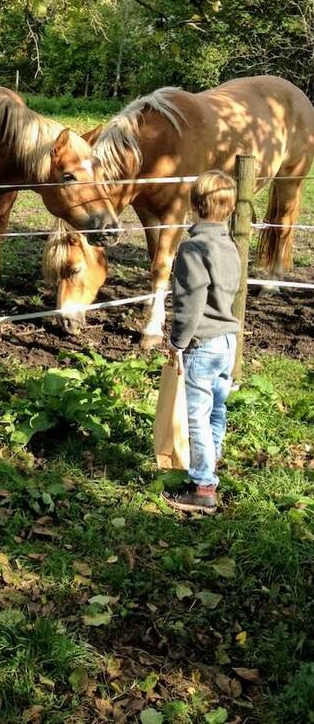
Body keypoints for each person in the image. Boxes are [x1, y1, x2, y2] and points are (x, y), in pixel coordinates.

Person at [162, 170, 241, 516]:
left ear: (194, 205)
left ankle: (204, 487)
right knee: (218, 409)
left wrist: (178, 342)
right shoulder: (230, 245)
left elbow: (191, 302)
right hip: (228, 341)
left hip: (203, 344)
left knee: (196, 415)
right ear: (231, 207)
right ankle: (211, 463)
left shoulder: (193, 247)